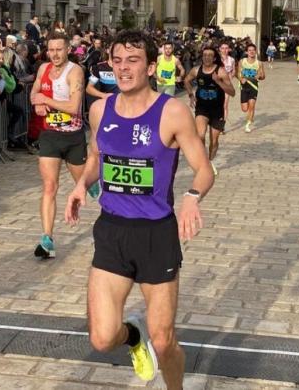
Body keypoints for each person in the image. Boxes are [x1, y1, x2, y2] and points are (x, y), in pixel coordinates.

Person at [64, 30, 214, 389]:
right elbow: (97, 157)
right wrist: (81, 185)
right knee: (101, 338)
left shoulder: (172, 111)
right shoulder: (100, 109)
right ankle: (133, 336)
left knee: (163, 341)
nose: (123, 68)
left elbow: (204, 169)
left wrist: (192, 197)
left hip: (155, 235)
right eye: (117, 61)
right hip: (112, 231)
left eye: (132, 61)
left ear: (150, 66)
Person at [30, 32, 87, 259]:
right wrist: (36, 103)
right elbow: (34, 91)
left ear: (67, 50)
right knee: (49, 187)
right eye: (51, 49)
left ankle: (119, 223)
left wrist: (46, 100)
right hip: (50, 135)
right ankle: (47, 239)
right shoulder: (43, 69)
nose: (54, 54)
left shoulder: (75, 71)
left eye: (59, 49)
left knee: (88, 185)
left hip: (73, 138)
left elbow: (74, 107)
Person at [184, 45, 235, 176]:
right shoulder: (196, 70)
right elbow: (186, 80)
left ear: (214, 58)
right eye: (205, 55)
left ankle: (210, 160)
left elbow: (232, 92)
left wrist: (218, 82)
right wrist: (191, 95)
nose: (207, 57)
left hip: (217, 110)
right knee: (200, 135)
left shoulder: (221, 71)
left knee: (214, 140)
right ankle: (203, 162)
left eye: (210, 55)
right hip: (202, 108)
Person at [238, 44, 265, 133]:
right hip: (244, 87)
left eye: (253, 50)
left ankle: (248, 124)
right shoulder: (242, 61)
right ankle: (250, 116)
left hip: (254, 87)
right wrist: (241, 79)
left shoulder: (259, 63)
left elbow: (263, 76)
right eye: (249, 50)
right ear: (247, 52)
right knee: (244, 109)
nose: (251, 52)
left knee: (252, 106)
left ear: (255, 51)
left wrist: (259, 76)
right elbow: (238, 74)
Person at [219, 42, 236, 135]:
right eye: (223, 48)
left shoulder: (231, 60)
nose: (225, 50)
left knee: (225, 105)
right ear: (220, 49)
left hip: (227, 85)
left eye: (226, 48)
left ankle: (222, 125)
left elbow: (234, 70)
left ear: (229, 49)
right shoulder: (215, 59)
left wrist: (231, 76)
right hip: (217, 85)